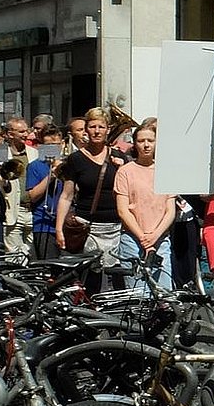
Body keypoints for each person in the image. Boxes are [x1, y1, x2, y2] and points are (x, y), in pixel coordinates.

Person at [55, 109, 125, 284]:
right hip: (88, 228)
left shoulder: (119, 157)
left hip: (117, 228)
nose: (97, 131)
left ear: (108, 129)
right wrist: (59, 229)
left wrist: (122, 169)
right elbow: (66, 196)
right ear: (86, 129)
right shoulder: (75, 159)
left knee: (116, 281)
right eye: (92, 127)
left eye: (101, 127)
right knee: (90, 280)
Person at [112, 118, 175, 290]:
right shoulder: (125, 172)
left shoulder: (165, 171)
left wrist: (154, 236)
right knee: (138, 293)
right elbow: (123, 210)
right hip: (132, 239)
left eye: (150, 140)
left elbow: (170, 210)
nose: (146, 145)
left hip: (160, 239)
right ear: (135, 144)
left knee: (164, 292)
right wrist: (143, 238)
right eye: (141, 141)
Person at [24, 125, 65, 260]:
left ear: (62, 144)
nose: (52, 149)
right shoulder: (34, 166)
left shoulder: (70, 164)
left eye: (56, 145)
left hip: (67, 225)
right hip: (44, 225)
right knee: (49, 264)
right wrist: (51, 175)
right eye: (48, 146)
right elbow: (33, 196)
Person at [0, 117, 35, 257]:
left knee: (32, 254)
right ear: (10, 134)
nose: (25, 134)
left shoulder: (34, 153)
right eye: (21, 132)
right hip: (13, 210)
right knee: (13, 256)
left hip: (32, 210)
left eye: (27, 131)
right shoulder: (2, 155)